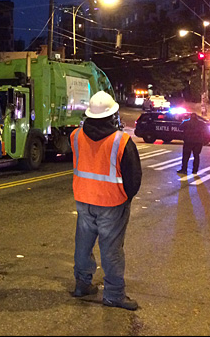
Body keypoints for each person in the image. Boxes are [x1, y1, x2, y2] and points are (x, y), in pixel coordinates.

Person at [69, 91, 142, 311]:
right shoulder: (122, 141)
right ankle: (114, 294)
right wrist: (124, 197)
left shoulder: (76, 136)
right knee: (111, 249)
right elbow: (134, 178)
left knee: (83, 244)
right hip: (111, 202)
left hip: (83, 199)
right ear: (112, 115)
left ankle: (82, 284)